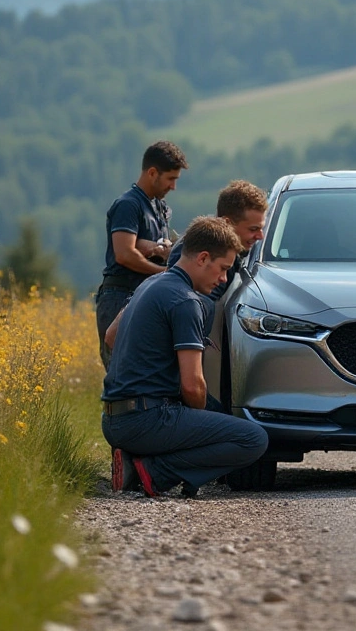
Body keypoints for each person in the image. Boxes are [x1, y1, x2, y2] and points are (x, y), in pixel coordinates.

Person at [103, 216, 269, 497]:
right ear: (203, 258)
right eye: (223, 269)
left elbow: (111, 336)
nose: (223, 279)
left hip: (113, 420)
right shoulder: (186, 301)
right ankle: (153, 473)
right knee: (253, 438)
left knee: (219, 417)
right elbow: (193, 386)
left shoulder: (151, 284)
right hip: (146, 420)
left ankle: (136, 461)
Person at [103, 179, 269, 350]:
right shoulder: (198, 255)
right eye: (253, 229)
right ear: (227, 223)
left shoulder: (224, 246)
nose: (260, 236)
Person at [95, 141, 187, 369]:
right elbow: (125, 254)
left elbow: (138, 245)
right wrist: (164, 273)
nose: (173, 186)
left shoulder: (158, 207)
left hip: (142, 296)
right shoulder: (128, 205)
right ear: (152, 172)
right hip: (120, 294)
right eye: (170, 179)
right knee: (122, 374)